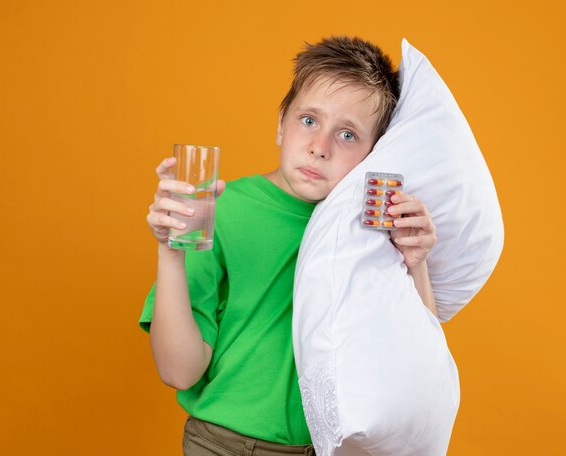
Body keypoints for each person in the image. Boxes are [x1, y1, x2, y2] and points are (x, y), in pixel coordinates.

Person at [140, 36, 438, 456]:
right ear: (282, 123)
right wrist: (170, 254)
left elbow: (420, 368)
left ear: (374, 153)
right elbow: (179, 371)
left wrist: (415, 264)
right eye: (309, 120)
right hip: (223, 444)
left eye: (348, 134)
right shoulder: (220, 212)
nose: (320, 147)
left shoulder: (371, 230)